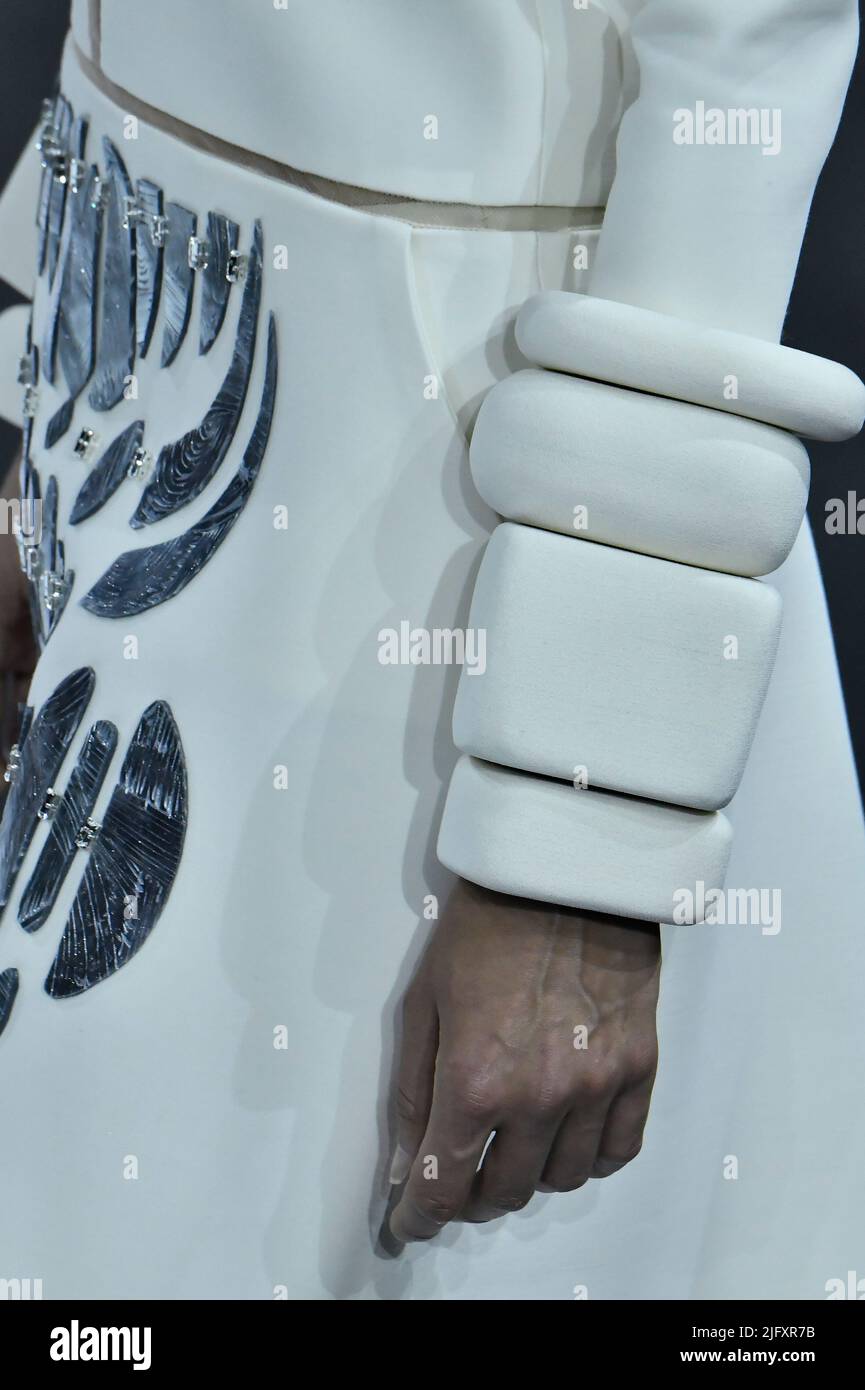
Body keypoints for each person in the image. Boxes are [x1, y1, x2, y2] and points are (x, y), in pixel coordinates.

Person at [0, 0, 862, 1300]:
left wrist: (576, 848)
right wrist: (47, 413)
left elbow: (739, 63)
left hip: (463, 584)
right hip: (146, 463)